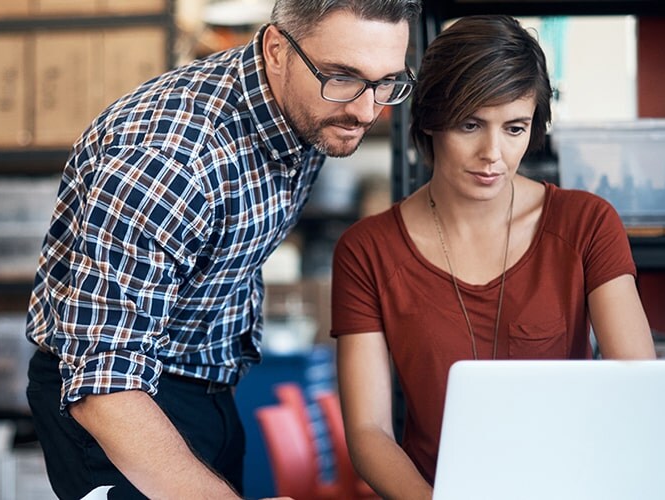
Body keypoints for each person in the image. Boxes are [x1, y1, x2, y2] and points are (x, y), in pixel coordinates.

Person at [25, 1, 421, 498]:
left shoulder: (311, 108)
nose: (367, 110)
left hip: (208, 383)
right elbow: (103, 383)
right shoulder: (170, 160)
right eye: (342, 77)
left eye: (387, 83)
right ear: (276, 50)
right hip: (120, 403)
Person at [330, 15, 658, 500]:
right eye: (470, 124)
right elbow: (369, 432)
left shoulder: (585, 224)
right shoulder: (367, 252)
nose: (493, 154)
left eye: (515, 127)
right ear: (429, 121)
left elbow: (640, 390)